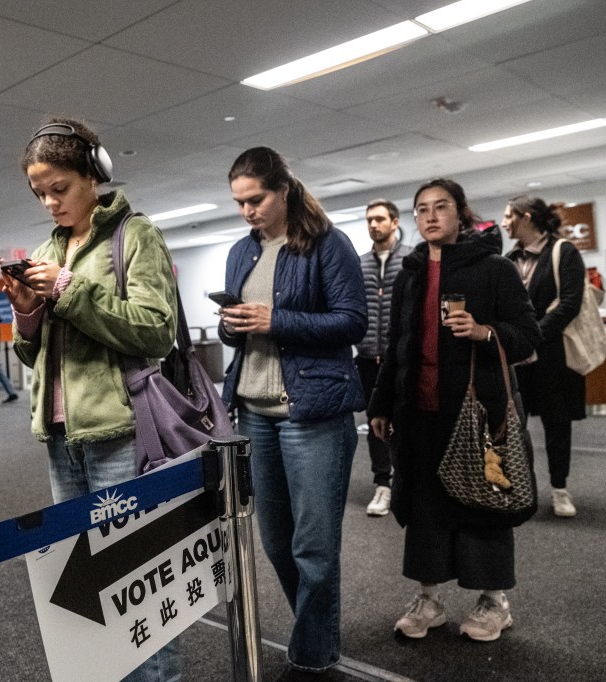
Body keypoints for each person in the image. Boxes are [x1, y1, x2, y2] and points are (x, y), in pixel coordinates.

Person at [5, 117, 180, 682]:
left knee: (140, 582)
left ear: (93, 175)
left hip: (120, 434)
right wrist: (27, 315)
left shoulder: (135, 235)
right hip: (62, 440)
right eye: (39, 194)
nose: (50, 203)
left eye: (59, 188)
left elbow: (156, 331)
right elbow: (33, 356)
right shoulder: (46, 249)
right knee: (90, 586)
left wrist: (66, 287)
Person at [368, 178, 540, 643]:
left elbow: (529, 334)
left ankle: (494, 602)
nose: (430, 216)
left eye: (440, 206)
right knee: (424, 506)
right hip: (419, 410)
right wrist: (381, 403)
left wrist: (485, 332)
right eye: (422, 209)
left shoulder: (494, 268)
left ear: (460, 213)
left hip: (478, 410)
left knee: (482, 502)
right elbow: (396, 346)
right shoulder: (410, 274)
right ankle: (429, 599)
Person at [217, 147, 367, 680]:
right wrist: (232, 325)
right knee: (277, 542)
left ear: (283, 190)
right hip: (255, 412)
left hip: (313, 413)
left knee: (314, 547)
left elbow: (352, 322)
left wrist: (275, 320)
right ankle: (316, 631)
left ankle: (312, 655)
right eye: (239, 202)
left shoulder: (327, 243)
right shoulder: (241, 251)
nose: (247, 211)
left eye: (256, 199)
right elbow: (238, 329)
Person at [503, 195, 586, 517]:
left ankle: (559, 489)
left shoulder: (563, 251)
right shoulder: (508, 259)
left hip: (553, 355)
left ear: (526, 217)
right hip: (517, 359)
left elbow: (569, 303)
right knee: (514, 426)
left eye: (509, 216)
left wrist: (532, 339)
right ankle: (519, 487)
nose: (504, 223)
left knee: (557, 423)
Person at [356, 199, 412, 517]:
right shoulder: (360, 263)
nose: (374, 225)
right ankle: (383, 484)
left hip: (402, 358)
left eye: (379, 219)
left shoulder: (411, 259)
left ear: (394, 222)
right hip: (368, 359)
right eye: (369, 220)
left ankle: (407, 481)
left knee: (406, 421)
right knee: (375, 422)